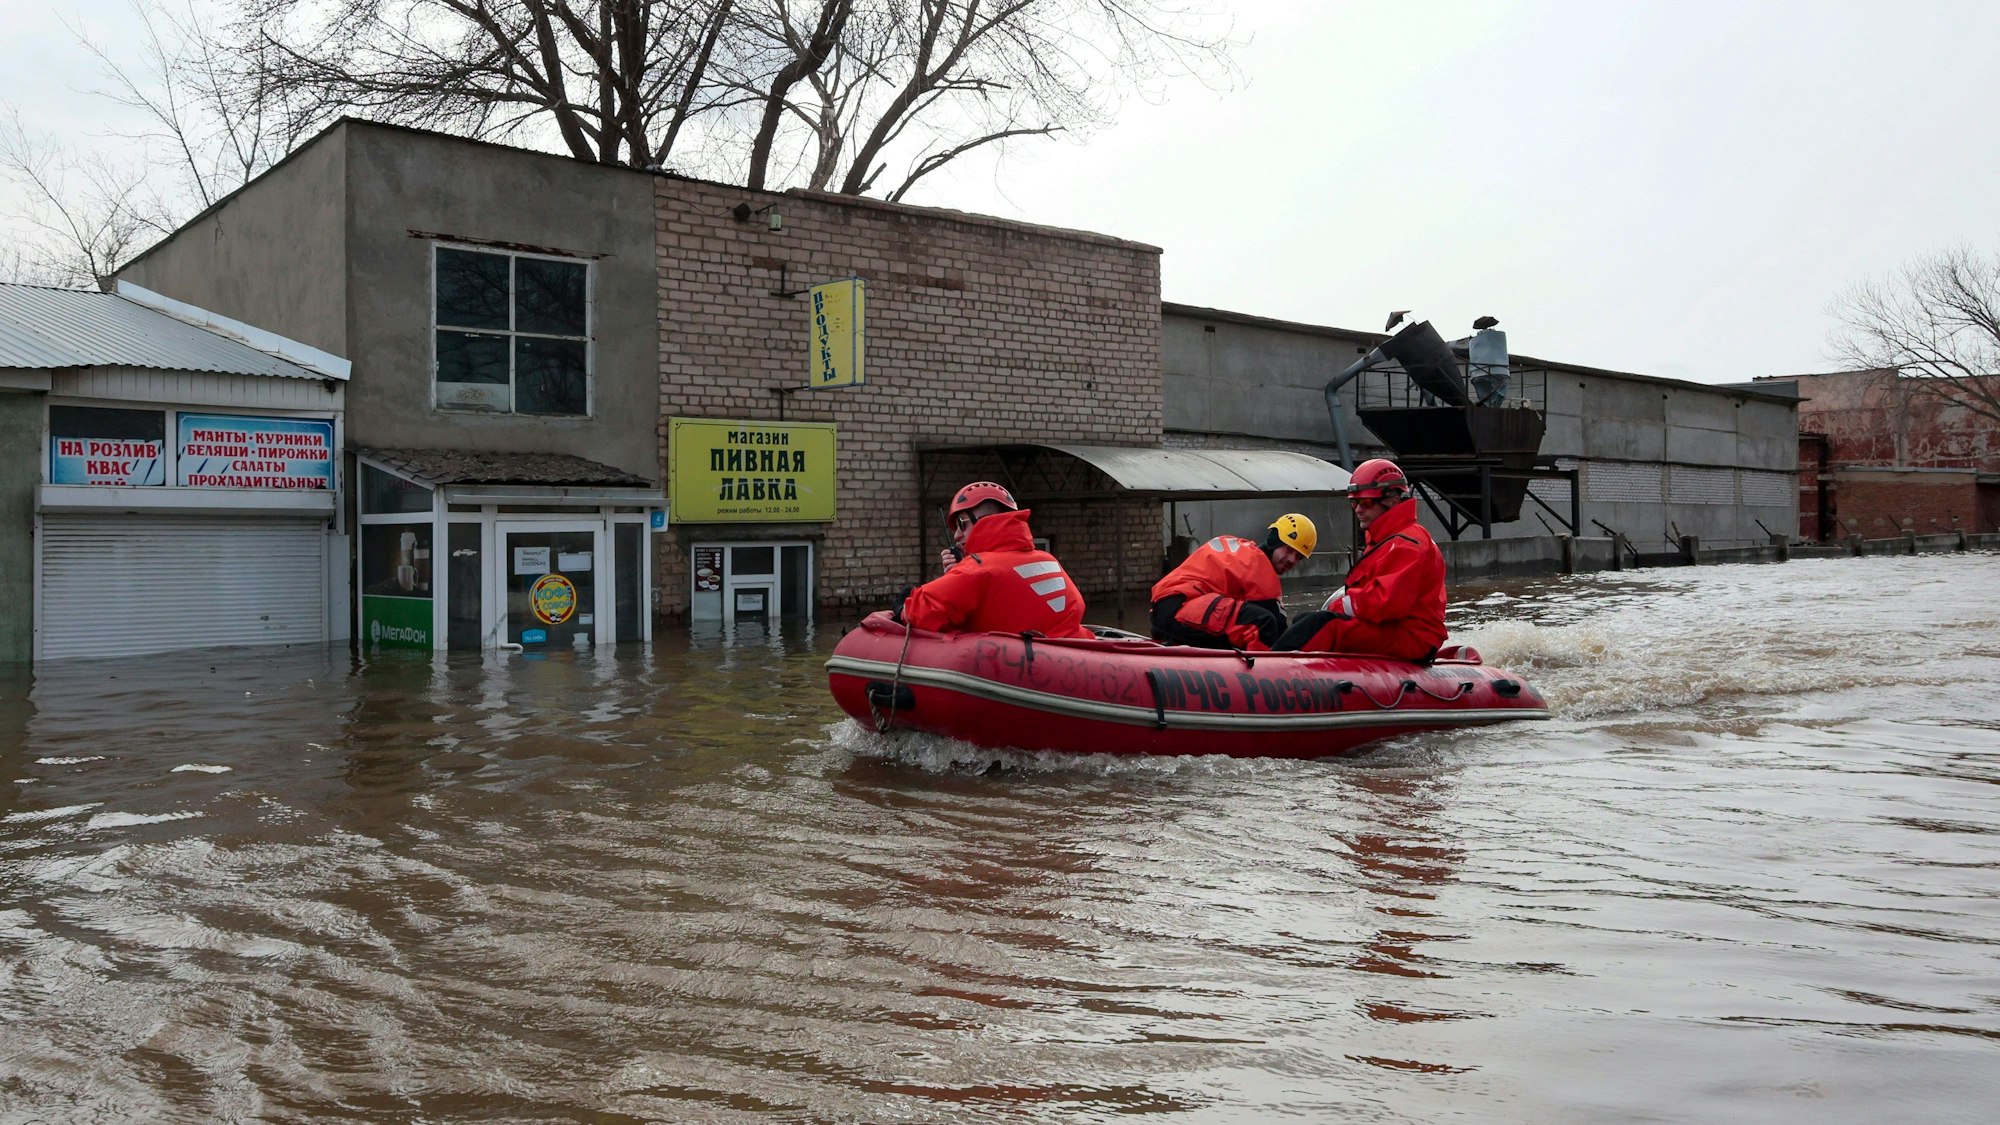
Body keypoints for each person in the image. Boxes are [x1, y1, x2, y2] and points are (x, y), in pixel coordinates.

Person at [1275, 458, 1447, 662]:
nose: (1358, 510)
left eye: (1365, 503)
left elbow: (1385, 603)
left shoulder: (1408, 543)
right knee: (1305, 620)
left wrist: (1338, 607)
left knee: (1324, 625)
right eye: (1354, 503)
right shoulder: (1388, 540)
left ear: (1392, 500)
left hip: (1412, 638)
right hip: (1393, 629)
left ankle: (1266, 670)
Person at [899, 481, 1090, 638]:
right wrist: (958, 571)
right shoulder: (1047, 559)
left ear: (983, 520)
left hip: (1025, 672)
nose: (957, 535)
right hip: (1078, 657)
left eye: (961, 524)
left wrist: (902, 604)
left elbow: (922, 612)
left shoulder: (975, 571)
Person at [1149, 514, 1317, 650]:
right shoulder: (1258, 565)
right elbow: (1278, 627)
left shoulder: (1243, 553)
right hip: (1181, 609)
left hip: (1166, 609)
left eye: (1298, 557)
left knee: (1244, 618)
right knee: (1263, 623)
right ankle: (1261, 680)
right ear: (1274, 542)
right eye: (1288, 550)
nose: (1291, 560)